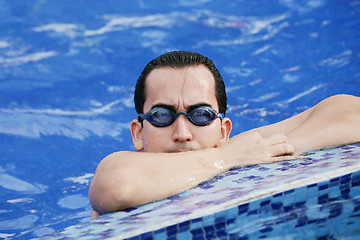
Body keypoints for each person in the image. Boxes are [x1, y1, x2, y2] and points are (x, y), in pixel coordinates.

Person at [89, 51, 360, 218]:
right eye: (162, 116)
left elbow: (350, 112)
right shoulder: (129, 174)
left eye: (201, 115)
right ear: (138, 133)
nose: (182, 133)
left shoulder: (239, 157)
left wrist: (261, 151)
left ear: (224, 131)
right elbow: (115, 186)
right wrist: (224, 157)